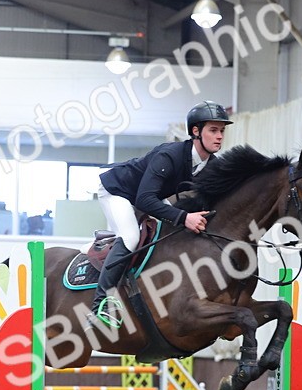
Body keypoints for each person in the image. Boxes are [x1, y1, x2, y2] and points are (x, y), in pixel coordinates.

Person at [86, 100, 232, 328]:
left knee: (168, 234)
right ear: (195, 131)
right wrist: (184, 218)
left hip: (147, 195)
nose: (220, 136)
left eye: (222, 131)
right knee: (131, 238)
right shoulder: (169, 155)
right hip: (118, 190)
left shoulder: (211, 165)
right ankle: (99, 304)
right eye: (213, 130)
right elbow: (145, 200)